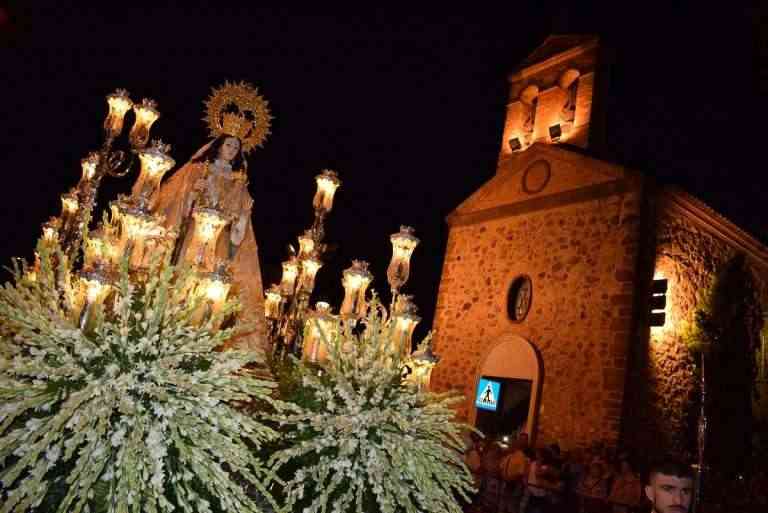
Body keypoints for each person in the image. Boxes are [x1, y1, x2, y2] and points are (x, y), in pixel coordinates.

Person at [155, 82, 272, 353]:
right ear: (219, 145)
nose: (232, 149)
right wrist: (191, 196)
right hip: (194, 232)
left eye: (236, 147)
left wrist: (242, 213)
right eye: (229, 144)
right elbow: (179, 202)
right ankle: (173, 323)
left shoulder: (238, 182)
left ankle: (201, 331)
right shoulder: (198, 170)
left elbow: (239, 224)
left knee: (211, 283)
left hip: (218, 239)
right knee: (185, 273)